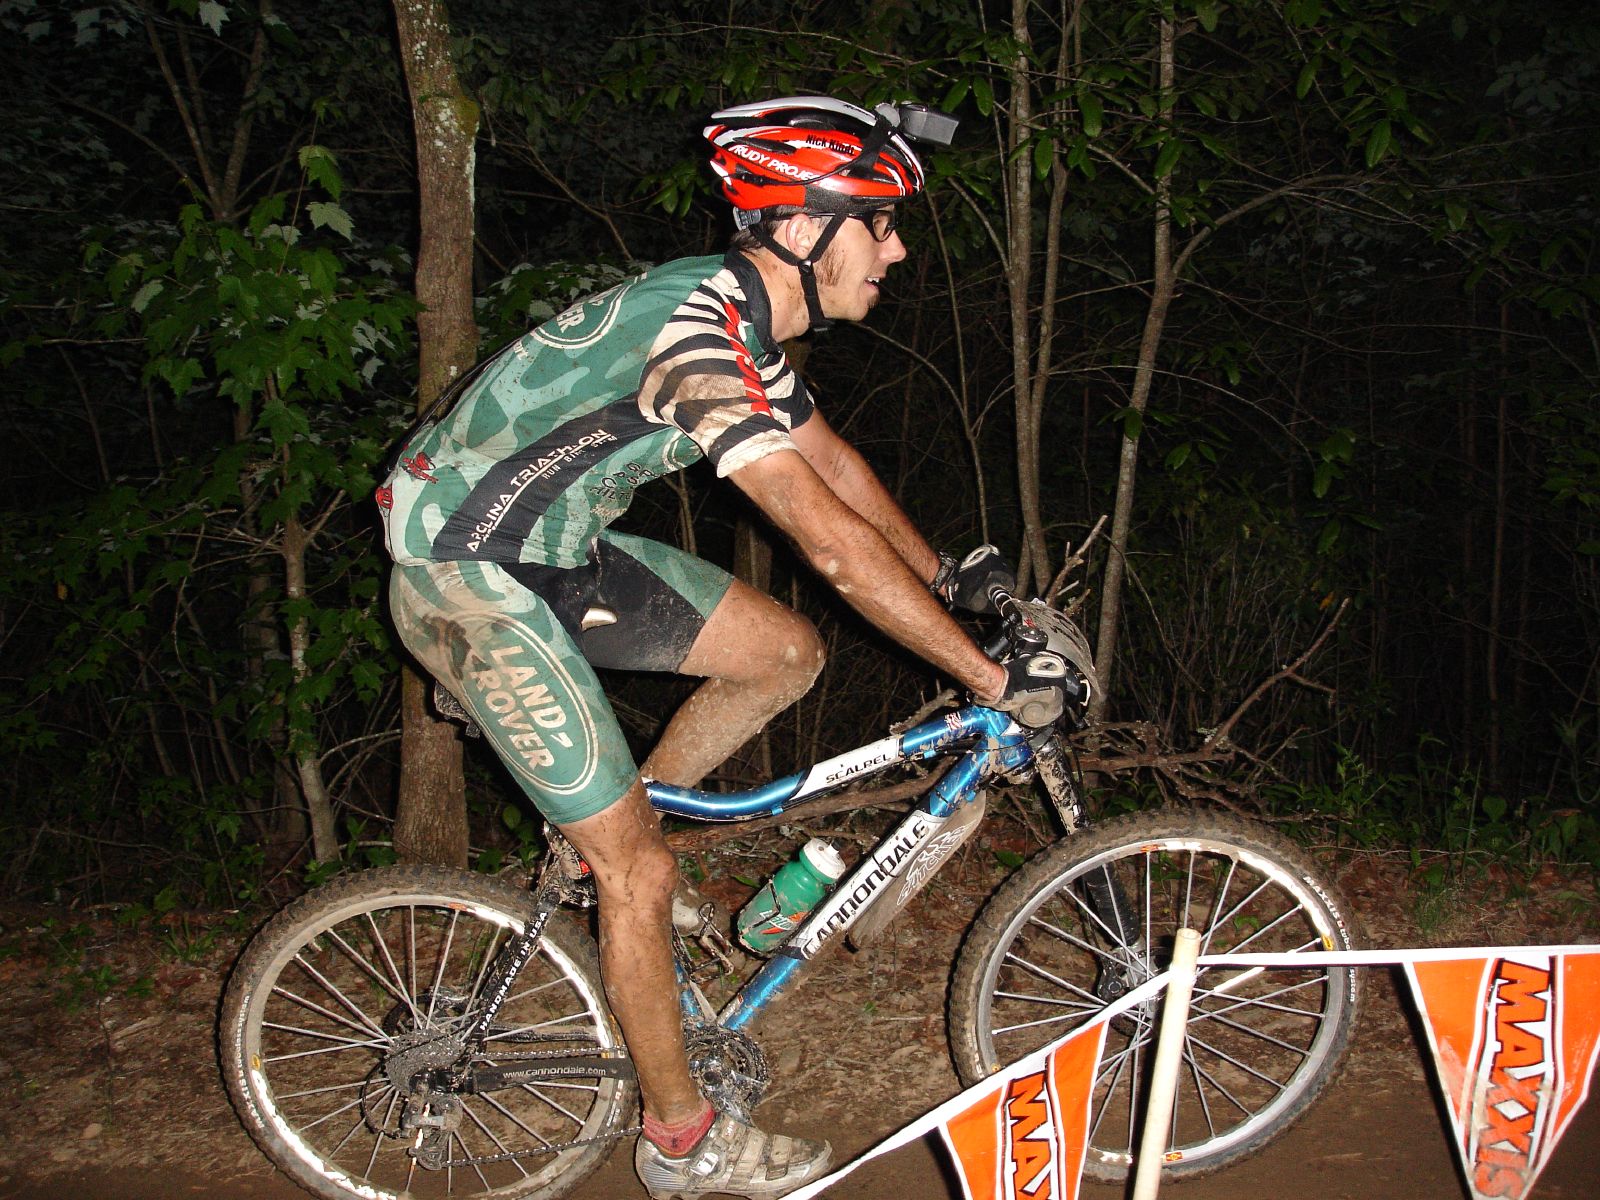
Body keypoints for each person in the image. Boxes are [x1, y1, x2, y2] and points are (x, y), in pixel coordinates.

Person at [376, 94, 1072, 1200]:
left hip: (551, 548)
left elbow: (831, 464)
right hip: (463, 572)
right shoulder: (695, 331)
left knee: (783, 653)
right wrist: (988, 678)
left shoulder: (741, 321)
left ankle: (607, 834)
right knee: (640, 875)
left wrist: (949, 578)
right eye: (879, 222)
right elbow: (826, 541)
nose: (895, 249)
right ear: (801, 229)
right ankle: (682, 1144)